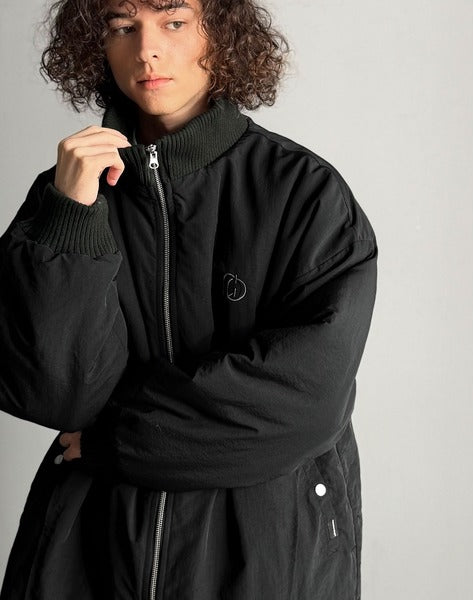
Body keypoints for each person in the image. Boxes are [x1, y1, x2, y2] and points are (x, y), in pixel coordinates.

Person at [0, 0, 377, 598]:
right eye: (122, 26)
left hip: (261, 549)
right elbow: (55, 394)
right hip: (92, 551)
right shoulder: (67, 197)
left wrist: (113, 439)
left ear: (220, 33)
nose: (147, 49)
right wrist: (72, 215)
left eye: (173, 21)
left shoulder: (304, 193)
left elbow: (302, 401)